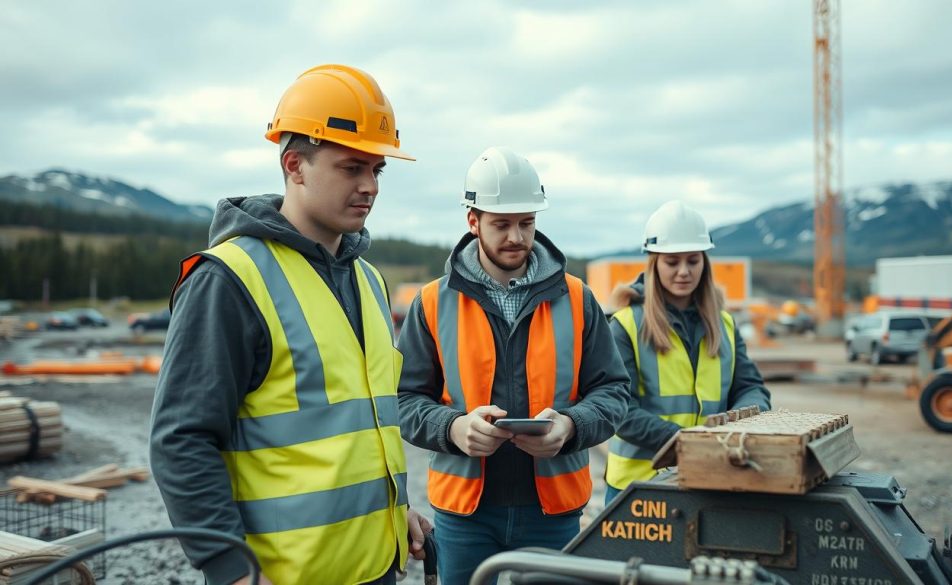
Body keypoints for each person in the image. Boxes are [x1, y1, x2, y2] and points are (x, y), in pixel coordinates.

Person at [149, 64, 431, 585]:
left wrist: (395, 513)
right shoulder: (230, 280)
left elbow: (359, 427)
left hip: (375, 566)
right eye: (351, 168)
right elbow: (181, 438)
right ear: (295, 164)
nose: (369, 186)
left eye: (377, 170)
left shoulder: (368, 280)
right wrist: (230, 568)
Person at [396, 147, 630, 585]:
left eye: (526, 223)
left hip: (553, 512)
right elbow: (404, 400)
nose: (517, 238)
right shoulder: (432, 302)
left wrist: (571, 427)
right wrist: (453, 428)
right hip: (463, 514)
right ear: (473, 221)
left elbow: (614, 392)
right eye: (501, 225)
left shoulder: (577, 299)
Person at [604, 201, 771, 505]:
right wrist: (687, 442)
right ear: (654, 264)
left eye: (693, 261)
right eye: (672, 262)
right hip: (640, 486)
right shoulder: (626, 325)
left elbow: (750, 388)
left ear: (704, 263)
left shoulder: (724, 324)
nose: (684, 271)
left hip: (713, 478)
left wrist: (745, 418)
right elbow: (619, 410)